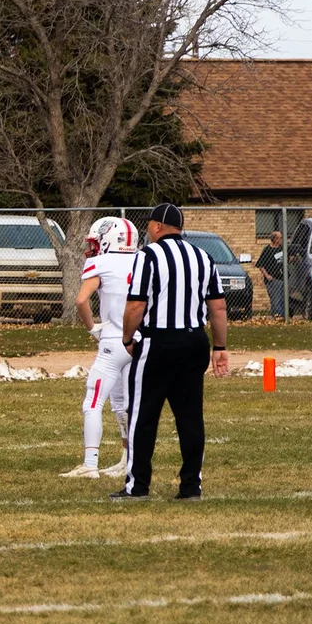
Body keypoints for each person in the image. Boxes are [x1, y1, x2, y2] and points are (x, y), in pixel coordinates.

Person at [114, 202, 229, 502]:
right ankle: (191, 486)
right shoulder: (203, 257)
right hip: (194, 342)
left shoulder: (148, 256)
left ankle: (137, 486)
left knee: (143, 415)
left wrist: (127, 337)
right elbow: (217, 306)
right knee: (190, 417)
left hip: (158, 342)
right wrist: (220, 346)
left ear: (156, 227)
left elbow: (137, 304)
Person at [67, 216, 139, 479]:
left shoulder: (100, 262)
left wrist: (92, 326)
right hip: (140, 341)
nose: (94, 246)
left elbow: (81, 299)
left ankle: (90, 464)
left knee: (93, 401)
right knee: (125, 404)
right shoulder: (143, 260)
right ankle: (127, 460)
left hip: (113, 340)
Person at [257, 229, 288, 319]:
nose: (281, 240)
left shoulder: (282, 248)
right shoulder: (267, 250)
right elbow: (260, 265)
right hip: (273, 279)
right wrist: (267, 275)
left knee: (282, 298)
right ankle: (277, 316)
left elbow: (287, 260)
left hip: (283, 277)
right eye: (280, 238)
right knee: (276, 299)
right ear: (274, 239)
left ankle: (283, 317)